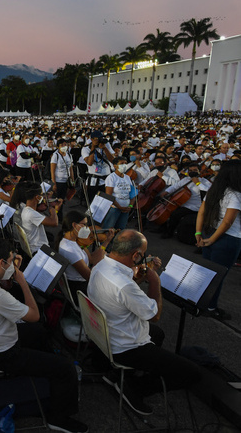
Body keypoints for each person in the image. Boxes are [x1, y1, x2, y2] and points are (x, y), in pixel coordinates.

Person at [0, 237, 88, 433]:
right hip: (4, 354)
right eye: (10, 260)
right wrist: (22, 281)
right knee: (65, 367)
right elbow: (34, 315)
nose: (12, 264)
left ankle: (50, 379)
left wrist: (7, 281)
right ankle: (58, 417)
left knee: (39, 333)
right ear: (1, 263)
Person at [89, 230, 201, 415]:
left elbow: (126, 294)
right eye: (142, 253)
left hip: (104, 334)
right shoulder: (124, 285)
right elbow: (153, 314)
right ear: (136, 255)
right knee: (191, 373)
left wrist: (140, 277)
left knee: (157, 334)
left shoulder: (101, 265)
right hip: (124, 348)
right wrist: (155, 280)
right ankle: (135, 388)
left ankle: (117, 374)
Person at [195, 161, 241, 320]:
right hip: (227, 239)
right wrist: (213, 240)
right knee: (217, 276)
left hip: (209, 233)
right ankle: (210, 307)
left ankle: (200, 302)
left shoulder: (214, 190)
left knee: (206, 272)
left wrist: (198, 233)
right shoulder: (235, 194)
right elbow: (227, 222)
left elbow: (201, 212)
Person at [57, 210, 113, 297]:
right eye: (84, 224)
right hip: (78, 288)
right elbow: (90, 277)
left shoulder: (76, 240)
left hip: (81, 283)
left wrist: (107, 241)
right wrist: (101, 255)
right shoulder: (70, 249)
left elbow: (91, 260)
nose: (87, 228)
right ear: (74, 225)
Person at [20, 182, 62, 254]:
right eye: (41, 195)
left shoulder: (25, 208)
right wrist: (53, 208)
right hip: (39, 249)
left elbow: (37, 211)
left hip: (33, 245)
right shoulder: (32, 214)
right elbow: (54, 223)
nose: (42, 197)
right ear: (37, 197)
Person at [101, 156, 136, 230]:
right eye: (122, 163)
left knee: (120, 228)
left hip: (126, 208)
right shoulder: (111, 177)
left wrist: (130, 206)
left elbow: (132, 194)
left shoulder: (127, 178)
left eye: (126, 163)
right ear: (115, 166)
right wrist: (120, 207)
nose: (124, 165)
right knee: (109, 228)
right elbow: (109, 195)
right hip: (115, 208)